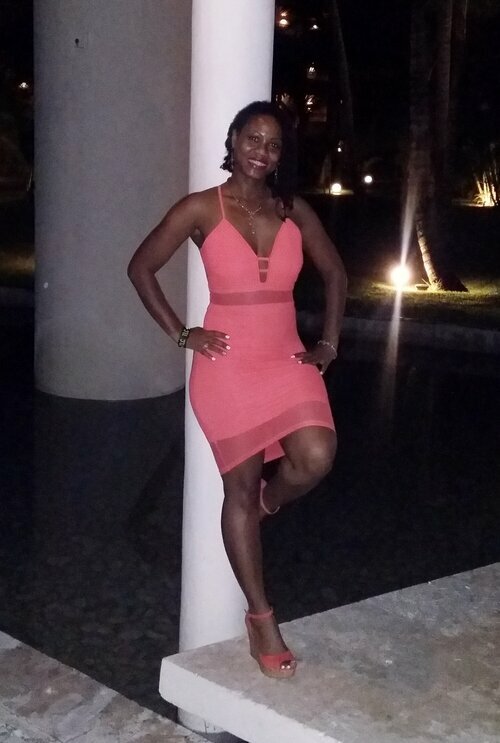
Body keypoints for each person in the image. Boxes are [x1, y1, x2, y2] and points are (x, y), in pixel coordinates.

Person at [128, 100, 346, 679]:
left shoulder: (293, 208)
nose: (261, 151)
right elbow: (141, 267)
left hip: (285, 359)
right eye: (253, 138)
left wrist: (328, 343)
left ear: (280, 155)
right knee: (239, 491)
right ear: (233, 139)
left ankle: (271, 505)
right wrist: (182, 333)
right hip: (225, 368)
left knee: (316, 456)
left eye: (273, 144)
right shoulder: (201, 207)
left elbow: (335, 272)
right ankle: (261, 619)